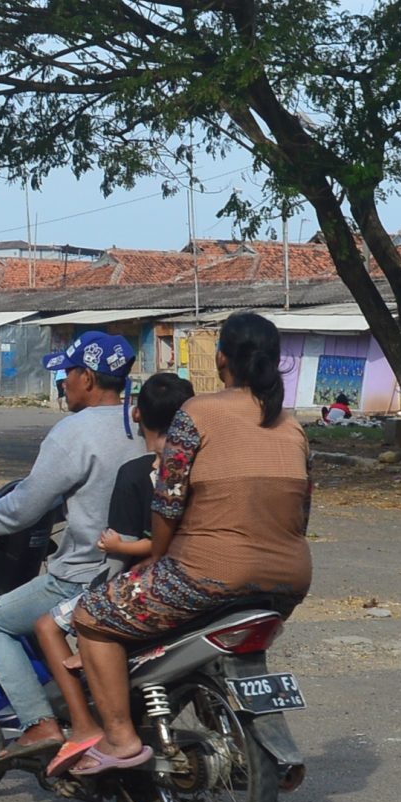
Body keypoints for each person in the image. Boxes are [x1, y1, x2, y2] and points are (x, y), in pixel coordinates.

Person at [59, 312, 314, 775]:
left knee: (90, 615)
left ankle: (118, 739)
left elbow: (168, 501)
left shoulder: (197, 414)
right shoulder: (293, 426)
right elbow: (302, 513)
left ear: (221, 359)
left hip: (208, 574)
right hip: (289, 580)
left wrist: (157, 557)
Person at [0, 331, 147, 771]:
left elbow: (25, 505)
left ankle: (39, 723)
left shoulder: (74, 432)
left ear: (87, 377)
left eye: (67, 374)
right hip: (141, 568)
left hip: (86, 573)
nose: (62, 383)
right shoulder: (143, 423)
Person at [31, 371, 193, 751]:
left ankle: (90, 726)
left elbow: (151, 548)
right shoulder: (206, 463)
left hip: (152, 581)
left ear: (137, 414)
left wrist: (116, 544)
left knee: (53, 624)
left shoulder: (144, 472)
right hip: (201, 576)